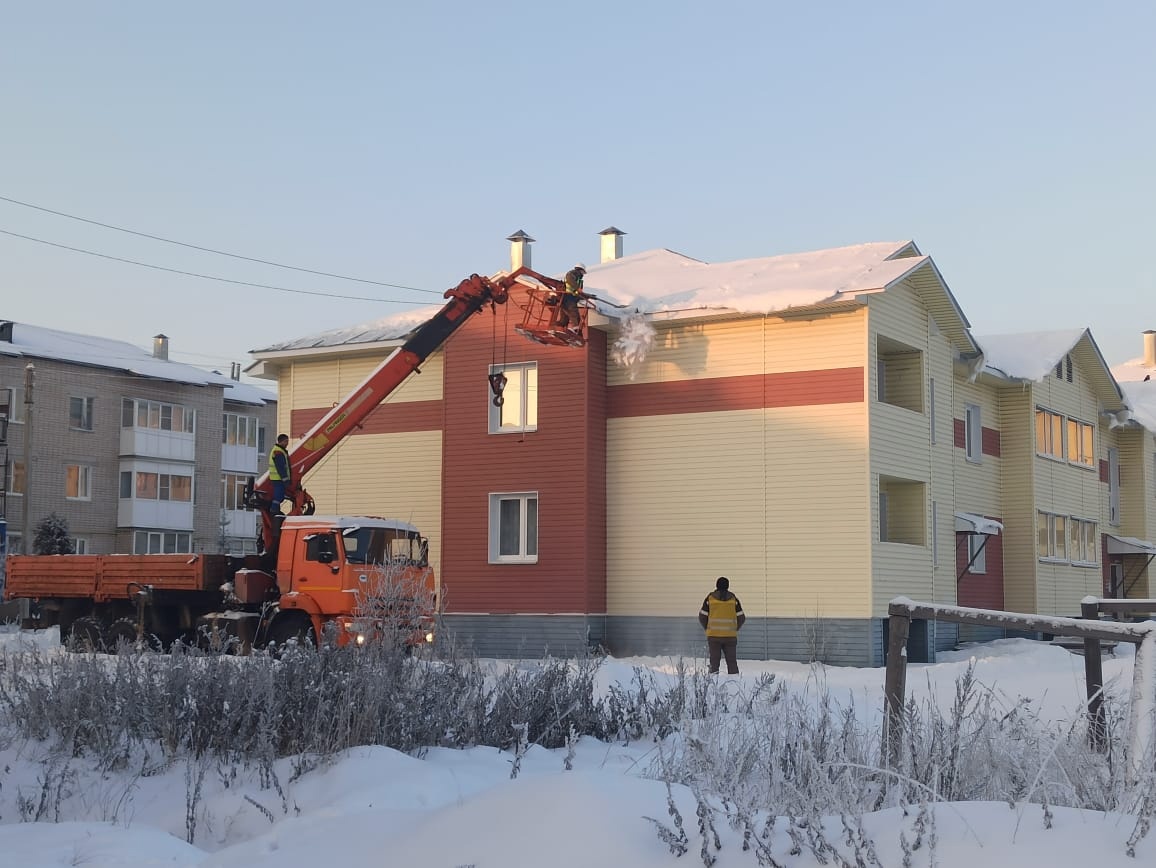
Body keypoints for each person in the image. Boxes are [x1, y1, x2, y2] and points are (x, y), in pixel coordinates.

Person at [699, 576, 745, 674]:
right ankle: (735, 683)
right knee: (732, 662)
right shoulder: (733, 599)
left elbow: (702, 616)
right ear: (728, 586)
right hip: (730, 637)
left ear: (716, 585)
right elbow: (741, 617)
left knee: (714, 663)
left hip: (713, 636)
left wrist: (707, 628)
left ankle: (712, 685)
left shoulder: (710, 599)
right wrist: (734, 629)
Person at [556, 263, 586, 334]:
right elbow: (570, 280)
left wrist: (583, 296)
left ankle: (559, 329)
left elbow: (578, 291)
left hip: (572, 298)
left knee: (564, 318)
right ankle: (576, 330)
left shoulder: (579, 279)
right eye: (583, 272)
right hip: (568, 297)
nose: (583, 274)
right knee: (573, 313)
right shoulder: (572, 273)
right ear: (580, 270)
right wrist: (577, 288)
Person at [268, 433, 291, 515]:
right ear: (281, 441)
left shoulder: (278, 450)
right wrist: (285, 479)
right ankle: (274, 510)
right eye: (286, 441)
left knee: (279, 496)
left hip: (277, 478)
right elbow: (281, 467)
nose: (287, 443)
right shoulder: (278, 451)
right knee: (279, 496)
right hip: (278, 478)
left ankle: (275, 510)